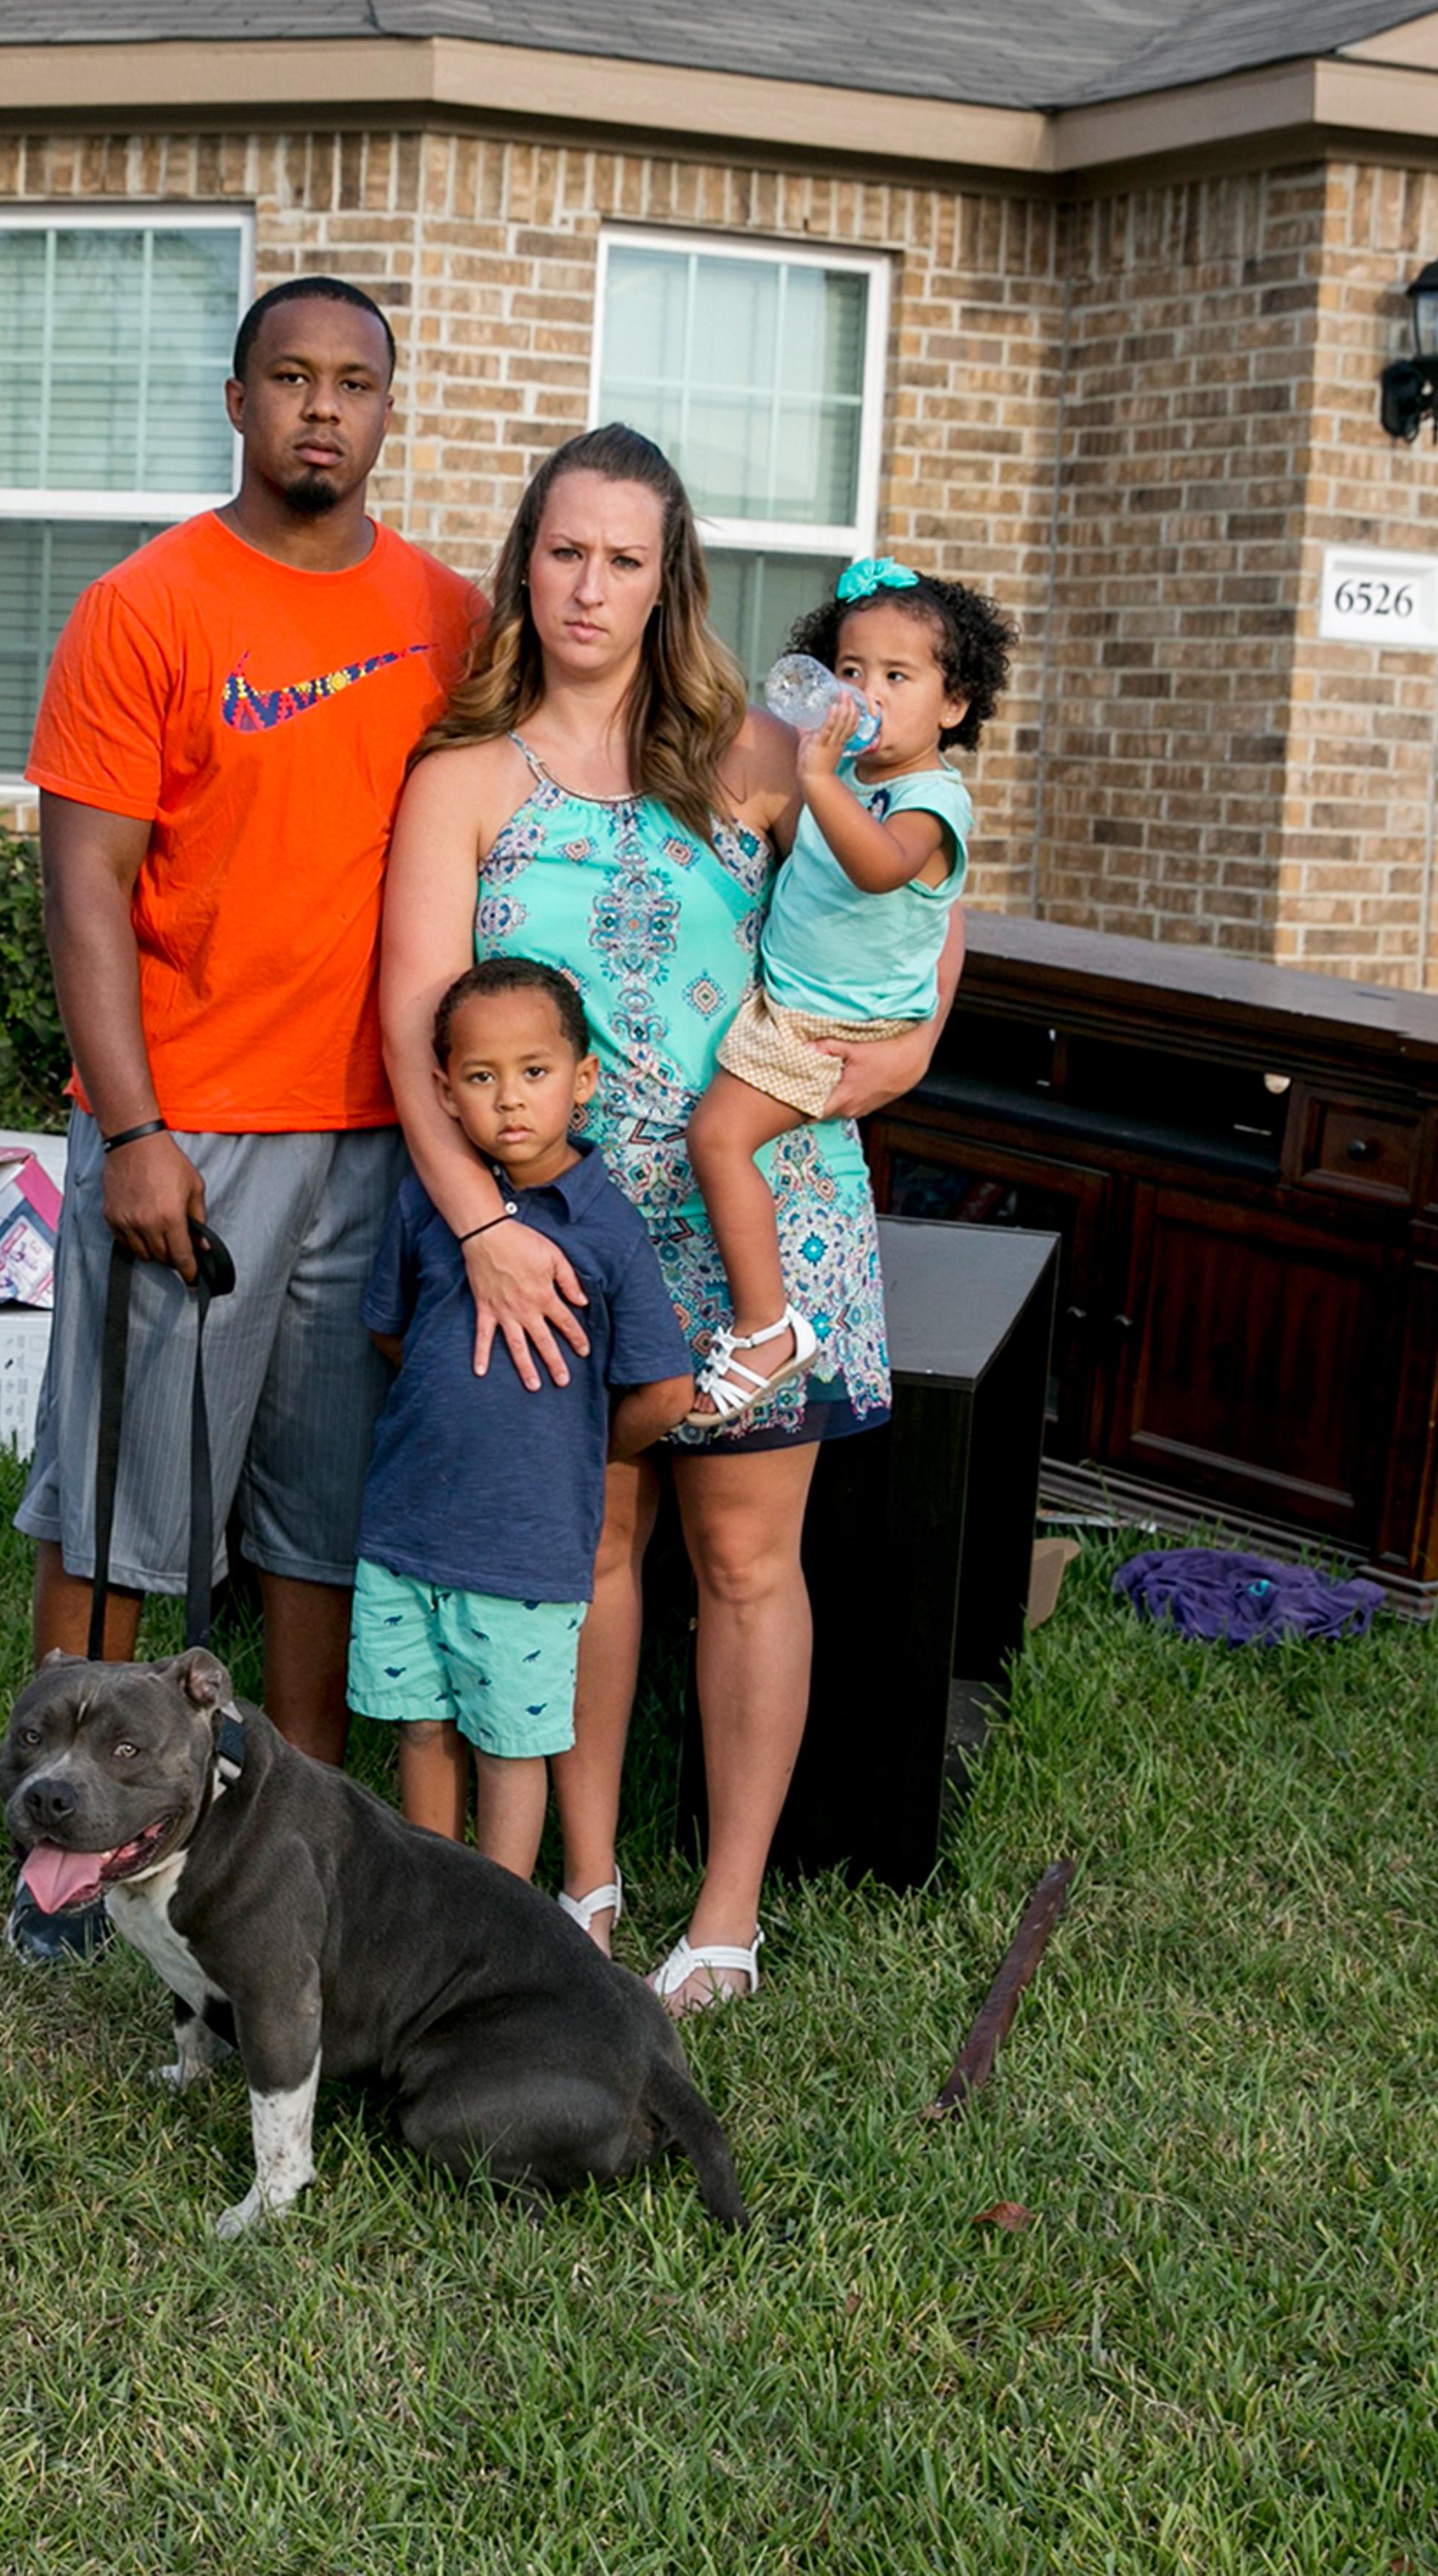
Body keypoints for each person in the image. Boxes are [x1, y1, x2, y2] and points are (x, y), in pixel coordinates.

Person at [378, 423, 959, 2015]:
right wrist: (480, 1228)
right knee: (585, 1552)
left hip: (757, 1202)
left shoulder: (759, 755)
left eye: (625, 558)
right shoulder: (463, 779)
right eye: (565, 550)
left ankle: (725, 1916)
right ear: (525, 565)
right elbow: (410, 1027)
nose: (590, 585)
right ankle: (583, 1881)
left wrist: (909, 1047)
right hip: (549, 1236)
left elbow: (922, 876)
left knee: (750, 1559)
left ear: (669, 577)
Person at [9, 275, 489, 1959]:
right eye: (289, 377)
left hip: (377, 1132)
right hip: (187, 1133)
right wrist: (132, 1130)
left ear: (384, 408)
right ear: (235, 398)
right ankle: (60, 1846)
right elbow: (83, 890)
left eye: (353, 383)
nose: (321, 411)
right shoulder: (146, 607)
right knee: (119, 1507)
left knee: (315, 1519)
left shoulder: (449, 615)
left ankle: (287, 1839)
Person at [350, 956, 696, 1878]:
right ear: (443, 1090)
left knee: (510, 1741)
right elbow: (391, 1331)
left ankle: (499, 1923)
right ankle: (430, 1900)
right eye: (480, 1077)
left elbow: (665, 1391)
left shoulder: (608, 1228)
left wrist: (579, 1448)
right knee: (423, 1725)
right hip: (409, 1526)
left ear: (583, 1081)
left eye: (535, 1073)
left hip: (526, 1547)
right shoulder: (429, 1201)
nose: (509, 1100)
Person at [685, 559, 1006, 1425]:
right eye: (852, 671)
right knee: (721, 1137)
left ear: (954, 702)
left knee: (718, 1139)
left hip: (833, 1026)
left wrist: (820, 779)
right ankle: (764, 1321)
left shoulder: (930, 800)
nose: (866, 693)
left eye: (898, 677)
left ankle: (766, 1328)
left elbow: (878, 871)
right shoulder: (854, 782)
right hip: (795, 1003)